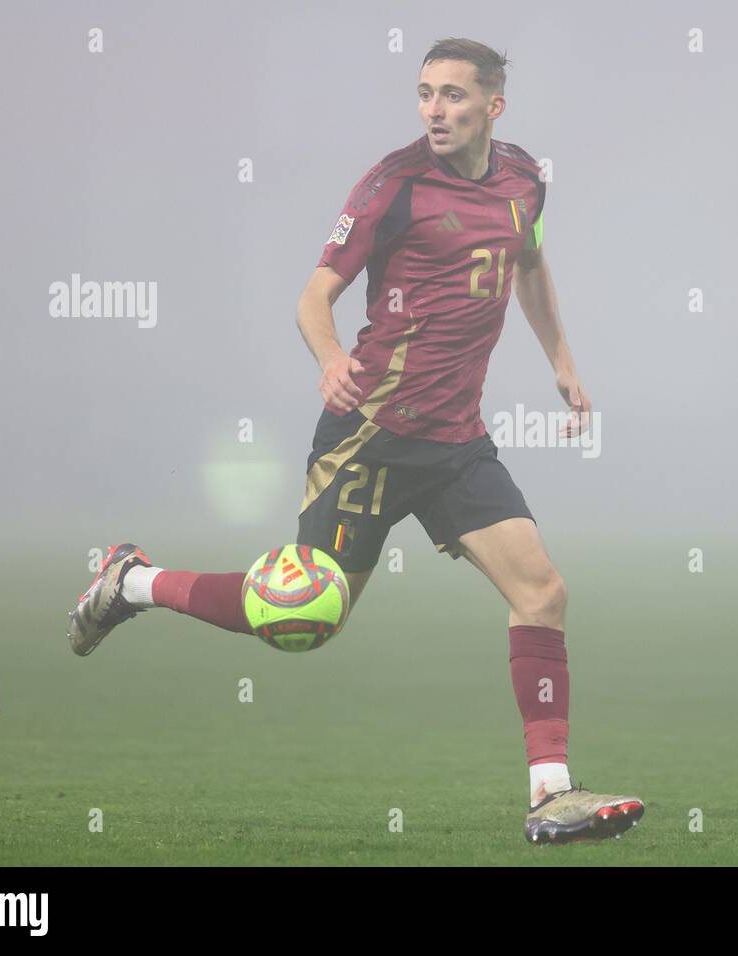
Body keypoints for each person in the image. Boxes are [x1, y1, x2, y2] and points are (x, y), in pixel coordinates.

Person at [67, 37, 643, 845]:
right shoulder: (394, 185)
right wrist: (333, 355)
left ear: (493, 107)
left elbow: (531, 265)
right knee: (301, 620)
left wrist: (563, 362)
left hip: (456, 445)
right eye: (424, 93)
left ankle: (551, 794)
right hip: (368, 436)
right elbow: (314, 295)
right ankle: (131, 582)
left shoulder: (523, 179)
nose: (434, 110)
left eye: (451, 95)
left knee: (543, 592)